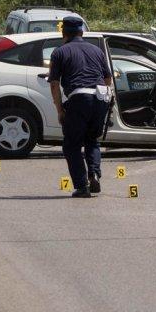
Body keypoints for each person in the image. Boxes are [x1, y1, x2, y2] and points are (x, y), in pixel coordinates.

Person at [49, 16, 112, 198]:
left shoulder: (59, 52)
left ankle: (82, 186)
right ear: (82, 32)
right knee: (92, 140)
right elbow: (107, 79)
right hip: (99, 98)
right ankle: (94, 174)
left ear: (63, 33)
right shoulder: (97, 50)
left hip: (78, 98)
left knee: (72, 145)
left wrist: (60, 110)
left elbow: (54, 84)